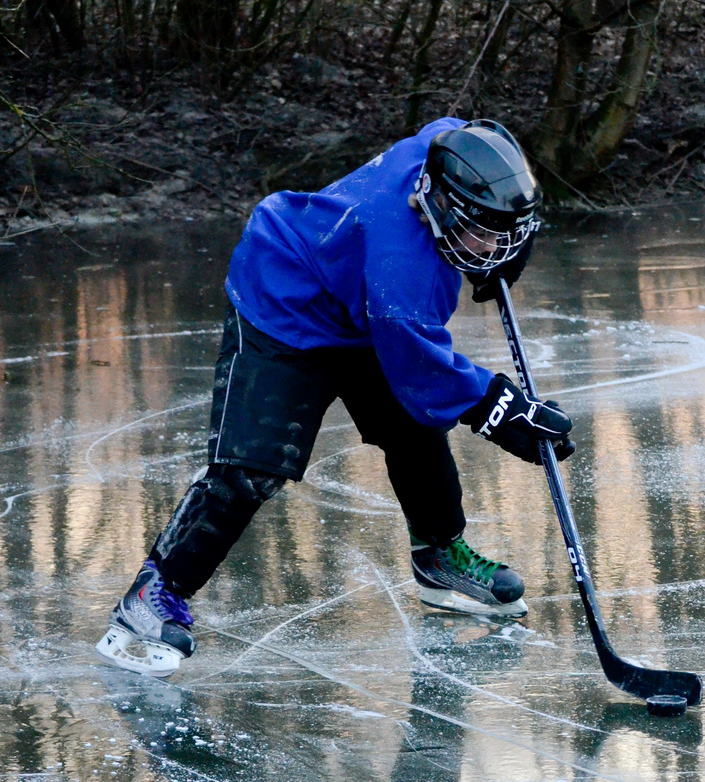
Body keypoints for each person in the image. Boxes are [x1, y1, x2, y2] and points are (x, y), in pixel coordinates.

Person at [97, 118, 574, 678]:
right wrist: (498, 407)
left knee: (414, 433)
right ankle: (152, 595)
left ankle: (440, 555)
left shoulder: (443, 145)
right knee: (251, 471)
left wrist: (500, 248)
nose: (495, 246)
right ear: (440, 208)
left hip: (356, 302)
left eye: (506, 233)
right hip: (284, 299)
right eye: (483, 233)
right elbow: (424, 373)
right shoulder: (404, 274)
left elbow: (473, 131)